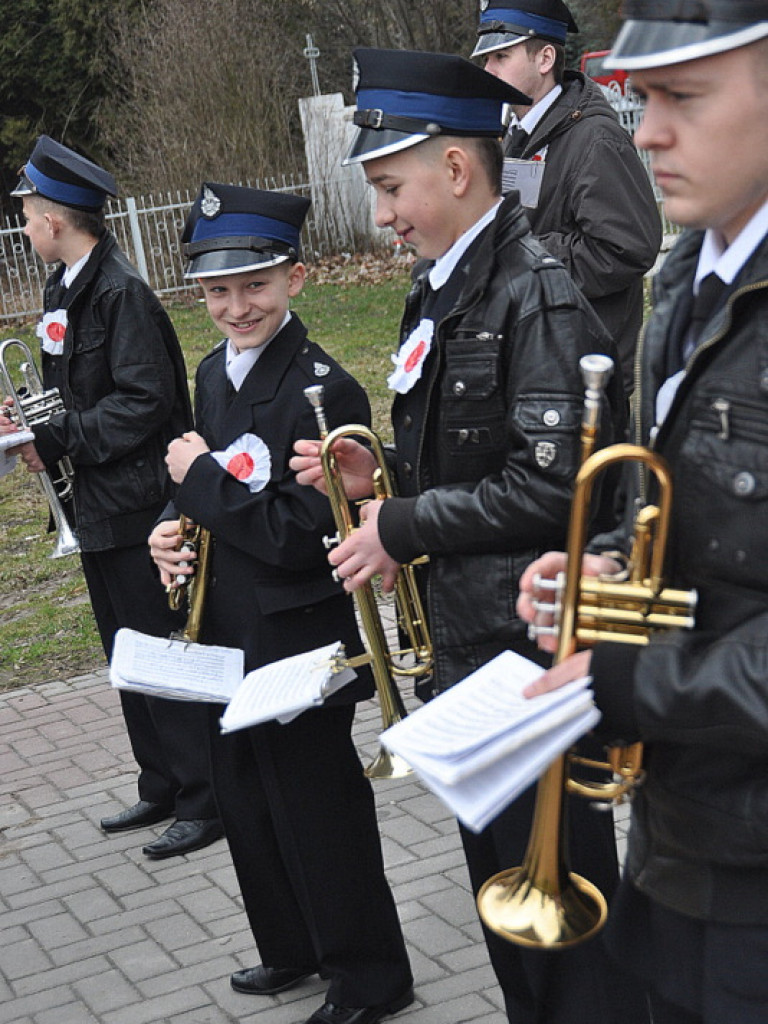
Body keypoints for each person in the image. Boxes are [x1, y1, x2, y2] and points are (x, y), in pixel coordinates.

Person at [292, 47, 649, 1024]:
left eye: (389, 188)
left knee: (574, 940)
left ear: (455, 169)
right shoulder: (440, 286)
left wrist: (403, 523)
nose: (382, 215)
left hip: (526, 655)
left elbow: (555, 490)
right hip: (470, 651)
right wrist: (382, 479)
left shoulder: (535, 292)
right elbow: (473, 455)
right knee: (509, 921)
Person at [517, 3, 768, 1022]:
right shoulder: (689, 275)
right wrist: (612, 566)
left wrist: (631, 680)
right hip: (680, 833)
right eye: (645, 98)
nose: (648, 131)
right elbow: (684, 504)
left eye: (684, 99)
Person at [148, 182, 413, 1024]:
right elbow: (213, 487)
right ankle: (291, 946)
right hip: (230, 629)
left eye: (255, 285)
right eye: (217, 291)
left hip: (300, 636)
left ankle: (370, 977)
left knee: (317, 810)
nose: (237, 307)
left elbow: (302, 532)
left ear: (294, 278)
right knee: (247, 799)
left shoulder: (322, 389)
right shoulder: (212, 373)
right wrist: (170, 528)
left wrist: (198, 485)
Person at [1, 136, 222, 860]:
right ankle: (161, 782)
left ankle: (205, 796)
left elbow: (144, 401)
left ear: (55, 219)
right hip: (94, 503)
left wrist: (60, 438)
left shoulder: (120, 292)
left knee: (160, 649)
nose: (23, 227)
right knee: (125, 651)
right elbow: (69, 393)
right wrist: (27, 422)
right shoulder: (64, 286)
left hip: (137, 503)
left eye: (26, 215)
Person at [472, 0, 662, 394]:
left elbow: (627, 248)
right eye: (486, 58)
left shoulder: (594, 139)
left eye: (501, 57)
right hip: (539, 359)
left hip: (585, 372)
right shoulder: (516, 133)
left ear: (544, 59)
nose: (488, 70)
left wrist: (519, 256)